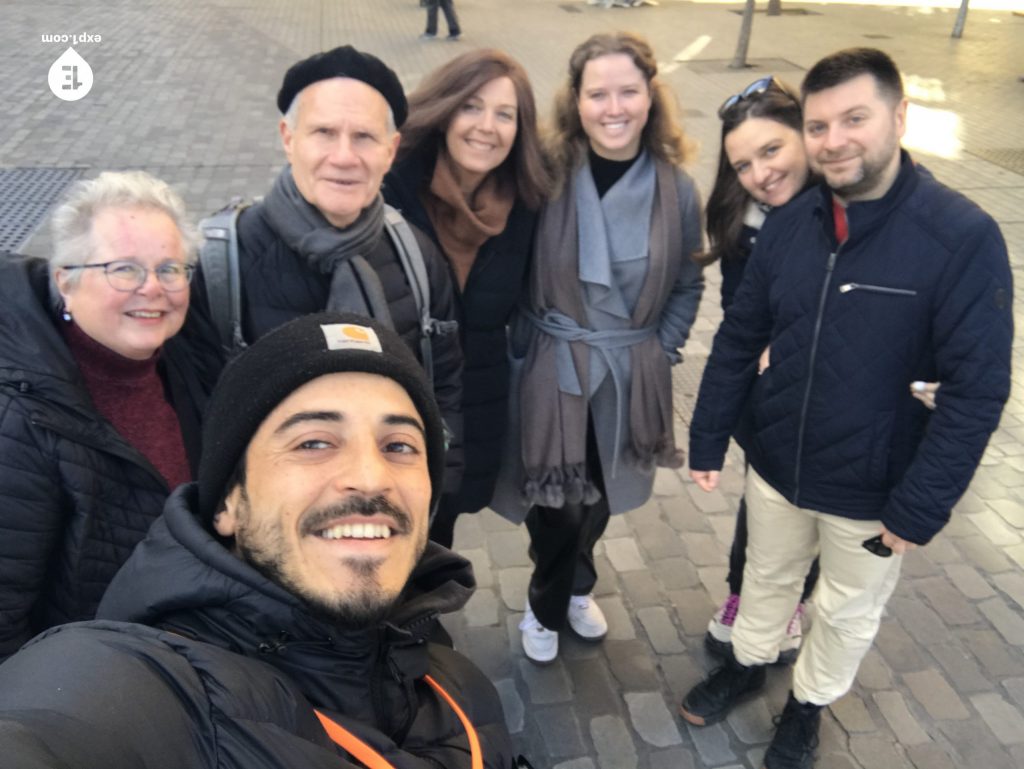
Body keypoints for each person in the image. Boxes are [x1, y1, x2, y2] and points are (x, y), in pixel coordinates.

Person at [680, 48, 1012, 769]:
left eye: (854, 119)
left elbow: (977, 389)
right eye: (821, 124)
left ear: (899, 115)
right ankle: (747, 662)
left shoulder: (960, 237)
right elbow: (740, 335)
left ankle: (806, 707)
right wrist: (707, 439)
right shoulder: (793, 222)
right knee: (764, 579)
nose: (835, 141)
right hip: (776, 467)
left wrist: (920, 506)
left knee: (843, 610)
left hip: (872, 491)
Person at [0, 312, 518, 769]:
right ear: (229, 504)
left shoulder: (455, 682)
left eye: (400, 445)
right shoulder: (139, 691)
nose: (371, 476)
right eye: (313, 442)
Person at [492, 32, 705, 664]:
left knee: (602, 497)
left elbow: (690, 281)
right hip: (554, 365)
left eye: (628, 91)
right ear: (577, 101)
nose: (614, 107)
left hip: (628, 371)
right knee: (554, 501)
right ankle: (546, 601)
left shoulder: (678, 190)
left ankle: (577, 584)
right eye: (598, 93)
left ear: (650, 97)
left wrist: (660, 351)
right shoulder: (545, 174)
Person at [194, 44, 464, 496]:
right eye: (324, 132)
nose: (343, 157)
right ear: (288, 137)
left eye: (364, 137)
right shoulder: (224, 265)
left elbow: (445, 382)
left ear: (391, 150)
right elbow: (199, 412)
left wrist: (437, 488)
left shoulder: (416, 254)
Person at [0, 171, 221, 662]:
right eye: (124, 269)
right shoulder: (21, 421)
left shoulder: (185, 360)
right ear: (67, 281)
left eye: (170, 268)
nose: (153, 289)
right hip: (91, 689)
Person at [384, 49, 550, 547]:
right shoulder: (393, 187)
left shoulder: (527, 204)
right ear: (446, 110)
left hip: (472, 408)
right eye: (472, 107)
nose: (487, 127)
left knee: (438, 541)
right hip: (389, 406)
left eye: (505, 114)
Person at [701, 76, 820, 664]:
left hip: (837, 400)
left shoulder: (850, 208)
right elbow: (737, 311)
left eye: (771, 150)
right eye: (744, 163)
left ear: (805, 135)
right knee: (765, 500)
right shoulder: (745, 220)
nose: (760, 173)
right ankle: (741, 591)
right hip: (767, 398)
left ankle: (794, 602)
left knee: (823, 507)